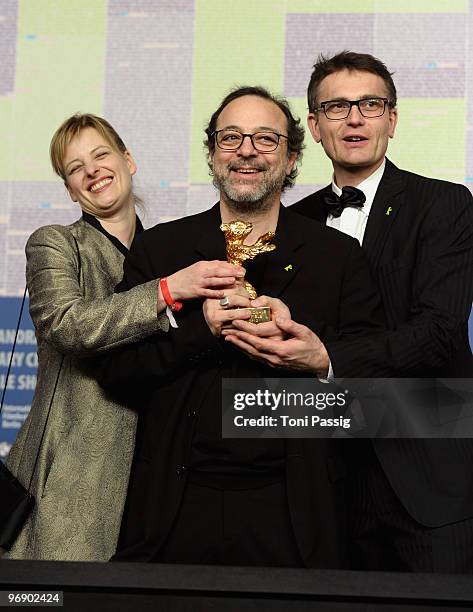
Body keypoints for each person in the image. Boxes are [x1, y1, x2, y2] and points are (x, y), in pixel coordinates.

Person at [95, 86, 386, 567]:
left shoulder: (337, 259)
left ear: (291, 159)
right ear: (212, 154)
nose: (246, 150)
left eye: (266, 139)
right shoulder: (161, 251)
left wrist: (318, 360)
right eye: (231, 138)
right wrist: (199, 330)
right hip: (174, 511)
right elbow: (116, 372)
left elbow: (375, 401)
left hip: (296, 520)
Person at [233, 52, 473, 572]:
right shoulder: (286, 223)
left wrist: (327, 361)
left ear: (392, 117)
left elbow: (438, 334)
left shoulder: (445, 204)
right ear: (315, 128)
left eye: (370, 103)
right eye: (337, 106)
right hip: (321, 485)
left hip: (427, 481)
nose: (355, 117)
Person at [5, 113, 243, 561]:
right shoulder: (56, 243)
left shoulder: (168, 250)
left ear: (128, 160)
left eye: (100, 155)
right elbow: (67, 325)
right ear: (70, 189)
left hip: (159, 477)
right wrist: (169, 289)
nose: (92, 170)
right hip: (75, 477)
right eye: (76, 168)